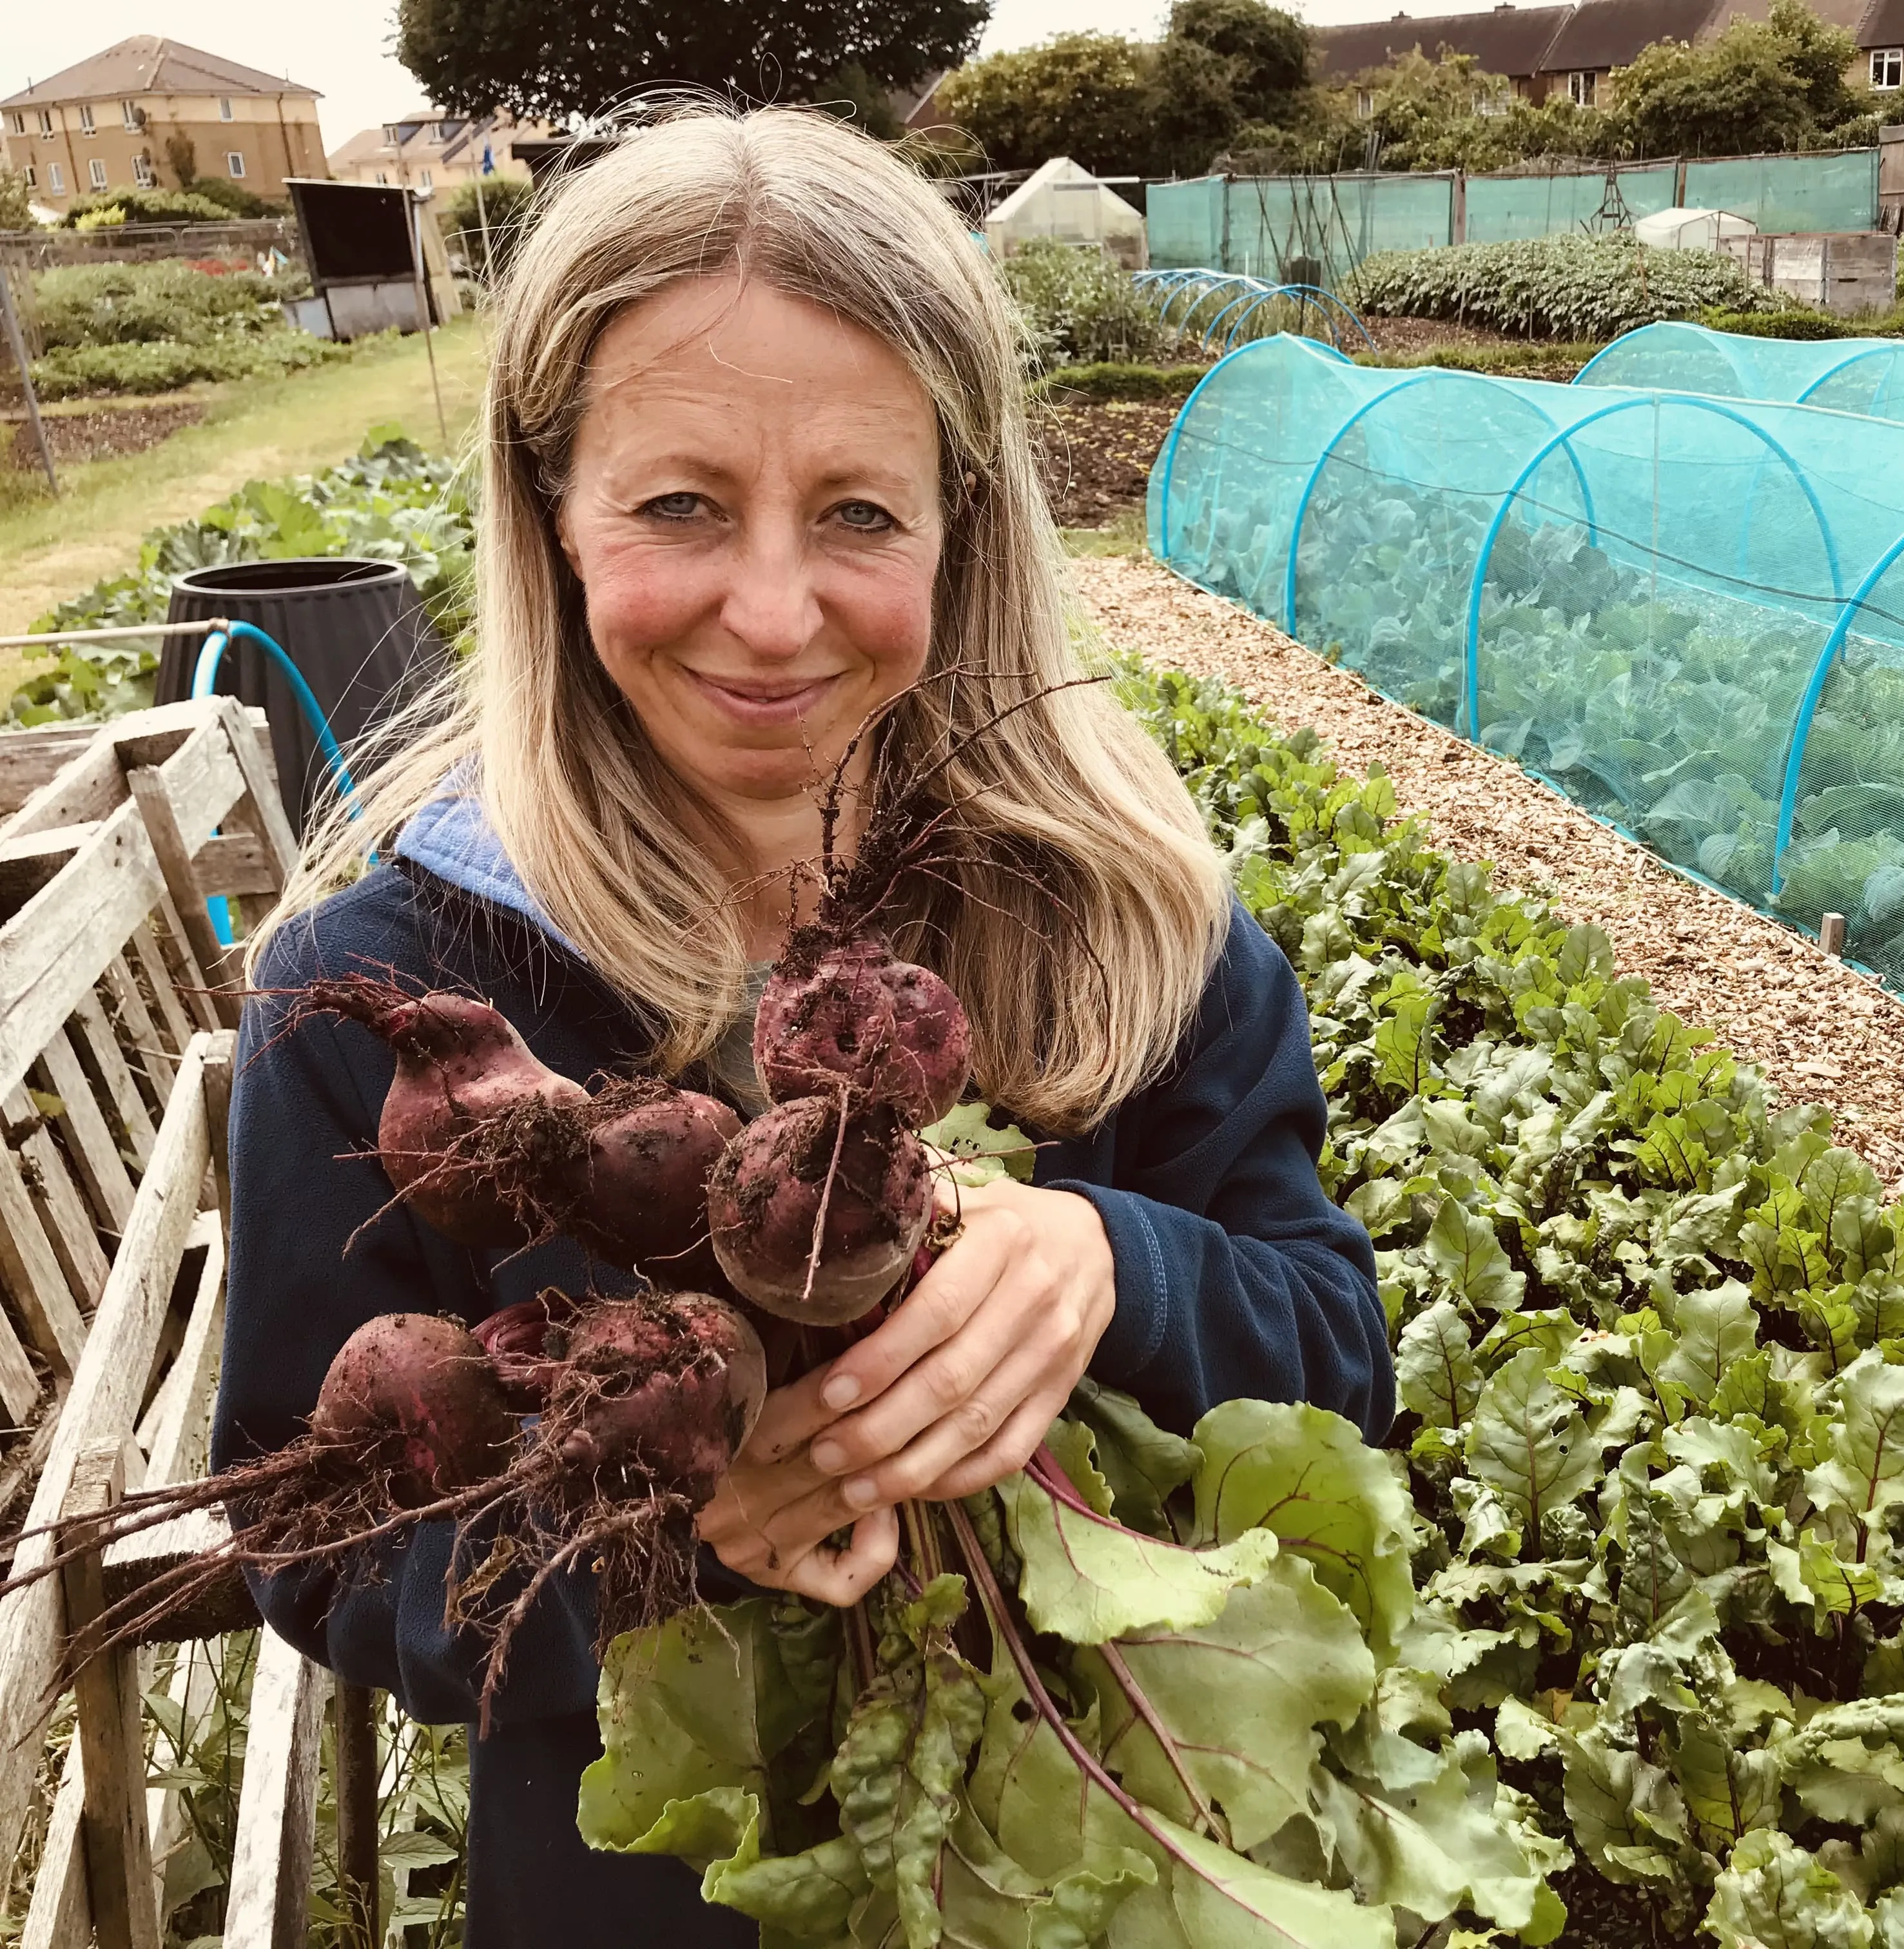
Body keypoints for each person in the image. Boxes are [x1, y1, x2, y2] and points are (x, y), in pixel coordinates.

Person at [213, 105, 1390, 1949]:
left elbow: (1340, 1353)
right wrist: (644, 1542)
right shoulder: (380, 984)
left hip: (1100, 1852)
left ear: (962, 527)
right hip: (638, 1895)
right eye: (679, 506)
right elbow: (309, 1533)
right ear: (549, 514)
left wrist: (1117, 1267)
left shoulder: (1125, 923)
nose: (772, 615)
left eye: (858, 514)